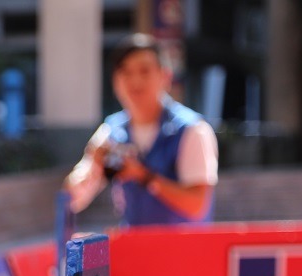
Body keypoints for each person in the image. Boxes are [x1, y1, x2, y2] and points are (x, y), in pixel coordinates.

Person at [64, 33, 218, 226]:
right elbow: (73, 197)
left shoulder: (192, 130)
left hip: (184, 250)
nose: (135, 81)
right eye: (126, 72)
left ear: (165, 76)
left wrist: (144, 177)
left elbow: (197, 204)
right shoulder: (111, 131)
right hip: (134, 248)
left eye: (144, 71)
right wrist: (90, 167)